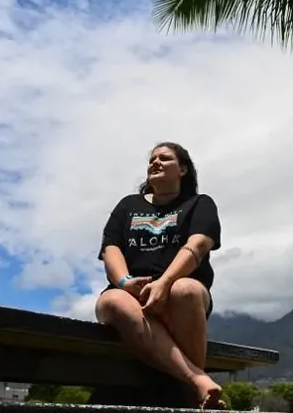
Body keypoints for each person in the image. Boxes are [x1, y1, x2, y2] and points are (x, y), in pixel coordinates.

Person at [95, 142, 225, 409]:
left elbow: (198, 245)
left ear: (183, 170)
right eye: (152, 159)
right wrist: (124, 283)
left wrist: (165, 283)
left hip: (181, 294)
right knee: (114, 301)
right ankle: (196, 383)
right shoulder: (127, 205)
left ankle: (189, 395)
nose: (155, 162)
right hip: (130, 295)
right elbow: (111, 249)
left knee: (185, 290)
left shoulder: (199, 204)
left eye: (164, 159)